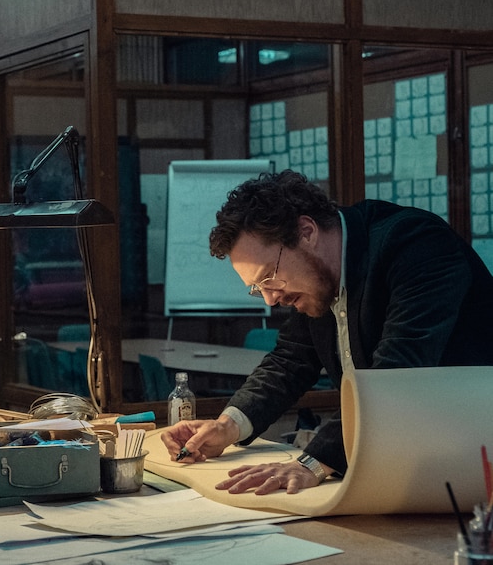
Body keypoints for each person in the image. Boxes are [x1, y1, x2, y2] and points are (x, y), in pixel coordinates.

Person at [161, 169, 493, 495]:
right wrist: (227, 427)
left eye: (268, 277)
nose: (271, 298)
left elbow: (395, 374)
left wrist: (314, 462)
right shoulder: (317, 280)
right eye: (257, 289)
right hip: (411, 463)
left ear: (306, 231)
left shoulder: (416, 245)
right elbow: (288, 362)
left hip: (472, 458)